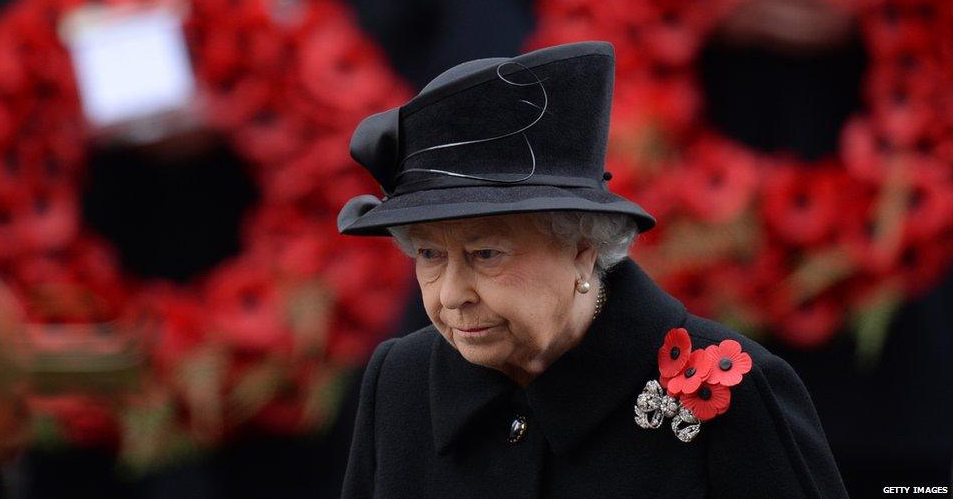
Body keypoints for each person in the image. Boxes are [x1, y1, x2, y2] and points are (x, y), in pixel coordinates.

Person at [336, 41, 849, 497]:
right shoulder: (400, 380)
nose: (450, 295)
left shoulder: (727, 390)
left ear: (582, 247)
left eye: (485, 254)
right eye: (430, 254)